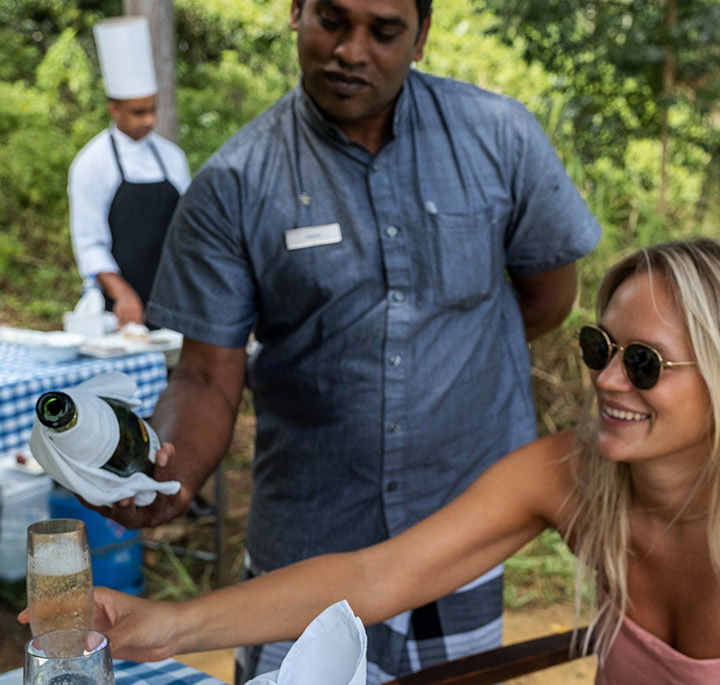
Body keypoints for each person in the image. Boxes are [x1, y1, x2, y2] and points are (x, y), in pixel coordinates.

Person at [93, 0, 600, 682]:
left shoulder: (500, 138)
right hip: (307, 541)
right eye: (332, 21)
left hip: (465, 532)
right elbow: (208, 374)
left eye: (384, 31)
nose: (352, 51)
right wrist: (171, 472)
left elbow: (546, 299)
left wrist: (453, 362)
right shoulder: (234, 183)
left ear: (421, 36)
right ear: (296, 13)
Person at [33, 237, 720, 684]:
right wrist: (164, 625)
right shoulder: (578, 476)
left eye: (643, 362)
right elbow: (375, 576)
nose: (603, 379)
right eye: (600, 347)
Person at [68, 17, 191, 327]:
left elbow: (189, 229)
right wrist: (123, 293)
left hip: (172, 300)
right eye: (139, 112)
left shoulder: (172, 157)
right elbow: (90, 243)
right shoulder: (92, 163)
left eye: (153, 108)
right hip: (118, 311)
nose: (149, 120)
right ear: (114, 109)